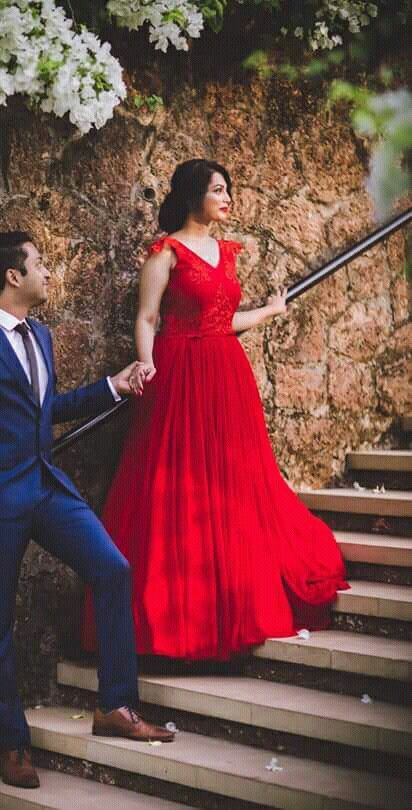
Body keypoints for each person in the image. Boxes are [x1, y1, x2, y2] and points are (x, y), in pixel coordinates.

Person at [0, 231, 175, 790]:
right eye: (38, 264)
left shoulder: (40, 336)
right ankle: (11, 742)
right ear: (12, 276)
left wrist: (113, 386)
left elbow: (47, 411)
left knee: (112, 567)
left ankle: (115, 706)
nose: (47, 272)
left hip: (48, 489)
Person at [83, 159, 349, 660]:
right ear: (192, 196)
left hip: (227, 375)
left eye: (228, 190)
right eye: (219, 190)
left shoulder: (225, 252)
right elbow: (147, 316)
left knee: (232, 485)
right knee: (176, 486)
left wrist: (269, 311)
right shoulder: (164, 253)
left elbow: (222, 321)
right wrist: (144, 362)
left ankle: (236, 600)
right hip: (178, 373)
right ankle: (174, 620)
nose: (228, 198)